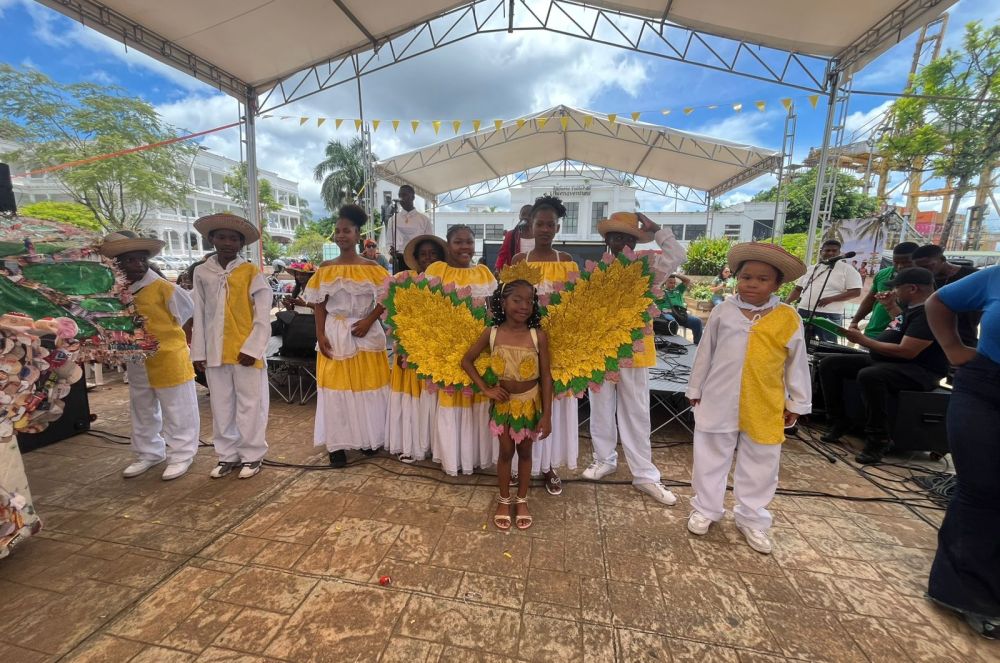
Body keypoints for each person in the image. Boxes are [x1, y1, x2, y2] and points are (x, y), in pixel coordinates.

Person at [686, 243, 811, 554]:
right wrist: (695, 389)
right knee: (711, 454)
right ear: (736, 279)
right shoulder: (722, 311)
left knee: (761, 462)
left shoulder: (788, 317)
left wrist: (796, 402)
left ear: (778, 284)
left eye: (762, 279)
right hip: (718, 396)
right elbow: (705, 353)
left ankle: (752, 518)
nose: (752, 284)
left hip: (765, 401)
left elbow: (797, 363)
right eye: (746, 277)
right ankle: (706, 508)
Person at [582, 212, 685, 505]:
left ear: (636, 241)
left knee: (636, 412)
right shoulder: (596, 270)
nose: (623, 242)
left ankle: (645, 475)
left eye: (629, 237)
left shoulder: (649, 267)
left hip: (635, 350)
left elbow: (677, 254)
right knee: (601, 407)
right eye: (617, 236)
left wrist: (657, 230)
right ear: (607, 240)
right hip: (601, 350)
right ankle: (604, 460)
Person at [924, 266, 999, 640]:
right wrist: (953, 348)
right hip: (986, 385)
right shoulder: (996, 276)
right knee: (981, 486)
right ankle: (968, 594)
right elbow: (938, 302)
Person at [819, 267, 949, 463]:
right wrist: (889, 306)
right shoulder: (913, 309)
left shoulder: (930, 312)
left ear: (912, 288)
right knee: (830, 364)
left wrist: (863, 340)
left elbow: (908, 351)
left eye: (897, 288)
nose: (894, 292)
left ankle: (879, 439)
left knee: (871, 375)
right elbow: (900, 325)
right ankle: (839, 420)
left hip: (919, 370)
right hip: (890, 361)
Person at [100, 232, 199, 481]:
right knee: (142, 407)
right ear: (117, 264)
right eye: (130, 260)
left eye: (141, 259)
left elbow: (186, 315)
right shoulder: (116, 291)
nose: (138, 265)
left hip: (169, 357)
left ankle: (182, 453)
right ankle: (149, 452)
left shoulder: (163, 288)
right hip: (137, 359)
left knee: (178, 408)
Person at [303, 205, 391, 468]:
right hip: (335, 332)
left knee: (367, 386)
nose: (342, 235)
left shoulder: (373, 267)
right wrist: (320, 333)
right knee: (336, 389)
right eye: (338, 231)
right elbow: (319, 302)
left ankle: (368, 439)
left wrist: (369, 320)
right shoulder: (326, 268)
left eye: (347, 231)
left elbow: (386, 298)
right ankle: (337, 444)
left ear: (358, 235)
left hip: (366, 332)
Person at [462, 277, 553, 530]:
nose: (524, 306)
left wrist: (547, 415)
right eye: (517, 300)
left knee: (525, 453)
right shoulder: (491, 334)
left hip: (529, 406)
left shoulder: (538, 337)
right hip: (503, 406)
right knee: (505, 453)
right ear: (502, 302)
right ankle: (504, 499)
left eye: (530, 301)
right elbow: (467, 360)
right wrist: (486, 389)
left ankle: (522, 500)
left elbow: (546, 377)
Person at [190, 214, 271, 479]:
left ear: (241, 243)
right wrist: (198, 351)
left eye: (233, 238)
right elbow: (199, 313)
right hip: (215, 350)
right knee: (222, 405)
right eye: (221, 237)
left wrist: (253, 348)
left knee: (250, 404)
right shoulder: (202, 272)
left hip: (244, 351)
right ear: (211, 239)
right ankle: (227, 455)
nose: (227, 242)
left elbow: (262, 314)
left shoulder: (251, 272)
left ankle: (252, 455)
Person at [510, 196, 577, 495]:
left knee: (553, 406)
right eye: (540, 223)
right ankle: (517, 466)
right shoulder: (517, 262)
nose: (545, 229)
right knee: (524, 400)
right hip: (524, 340)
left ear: (558, 227)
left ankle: (548, 466)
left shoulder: (567, 262)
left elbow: (576, 306)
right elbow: (508, 301)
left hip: (560, 343)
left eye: (551, 224)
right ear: (530, 226)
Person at [425, 225, 498, 475]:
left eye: (469, 242)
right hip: (447, 345)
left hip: (478, 345)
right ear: (448, 244)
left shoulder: (484, 273)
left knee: (476, 397)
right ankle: (452, 458)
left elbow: (489, 309)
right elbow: (429, 307)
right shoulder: (437, 270)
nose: (464, 247)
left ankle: (475, 457)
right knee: (450, 398)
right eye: (458, 242)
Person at [386, 234, 448, 463]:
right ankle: (414, 444)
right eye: (423, 254)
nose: (428, 258)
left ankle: (435, 445)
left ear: (441, 257)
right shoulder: (405, 279)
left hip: (438, 351)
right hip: (410, 349)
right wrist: (403, 344)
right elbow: (396, 313)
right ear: (415, 257)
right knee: (414, 398)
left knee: (434, 399)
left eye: (433, 254)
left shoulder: (447, 280)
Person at [785, 239, 863, 343]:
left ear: (839, 253)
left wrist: (830, 299)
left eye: (834, 251)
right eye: (827, 250)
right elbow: (798, 288)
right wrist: (787, 302)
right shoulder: (811, 268)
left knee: (827, 345)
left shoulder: (847, 270)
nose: (831, 253)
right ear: (821, 251)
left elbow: (856, 292)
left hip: (829, 314)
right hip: (804, 311)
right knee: (799, 343)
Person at [912, 244, 979, 346]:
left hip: (965, 334)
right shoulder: (922, 279)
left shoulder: (972, 275)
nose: (924, 270)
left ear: (942, 259)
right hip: (932, 336)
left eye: (928, 266)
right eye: (919, 267)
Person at [850, 242, 918, 338]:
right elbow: (870, 300)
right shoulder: (882, 274)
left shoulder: (923, 281)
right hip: (871, 334)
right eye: (896, 262)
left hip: (898, 338)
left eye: (906, 262)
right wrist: (855, 321)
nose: (900, 266)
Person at [381, 184, 433, 273]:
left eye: (404, 195)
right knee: (399, 286)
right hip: (399, 260)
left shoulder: (424, 219)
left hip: (418, 260)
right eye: (400, 195)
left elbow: (429, 241)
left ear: (413, 197)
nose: (401, 198)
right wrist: (391, 252)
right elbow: (389, 242)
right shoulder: (393, 219)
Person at [661, 273, 703, 344]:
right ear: (665, 282)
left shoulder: (678, 290)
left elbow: (687, 280)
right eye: (670, 283)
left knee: (697, 321)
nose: (673, 285)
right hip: (668, 314)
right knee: (672, 322)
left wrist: (674, 273)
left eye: (674, 283)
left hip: (680, 314)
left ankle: (697, 344)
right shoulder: (660, 292)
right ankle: (673, 345)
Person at [494, 204, 536, 271]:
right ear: (519, 216)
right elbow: (502, 254)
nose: (526, 217)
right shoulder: (511, 235)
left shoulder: (538, 235)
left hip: (535, 272)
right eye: (523, 214)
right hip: (515, 274)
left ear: (534, 217)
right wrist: (498, 268)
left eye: (529, 215)